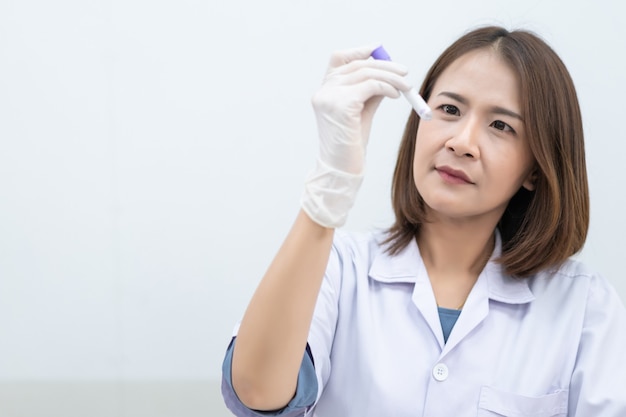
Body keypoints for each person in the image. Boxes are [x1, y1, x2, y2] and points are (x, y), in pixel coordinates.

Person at [221, 26, 626, 416]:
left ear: (536, 168)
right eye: (449, 109)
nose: (462, 142)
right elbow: (257, 391)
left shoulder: (585, 309)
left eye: (501, 126)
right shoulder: (337, 268)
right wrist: (329, 188)